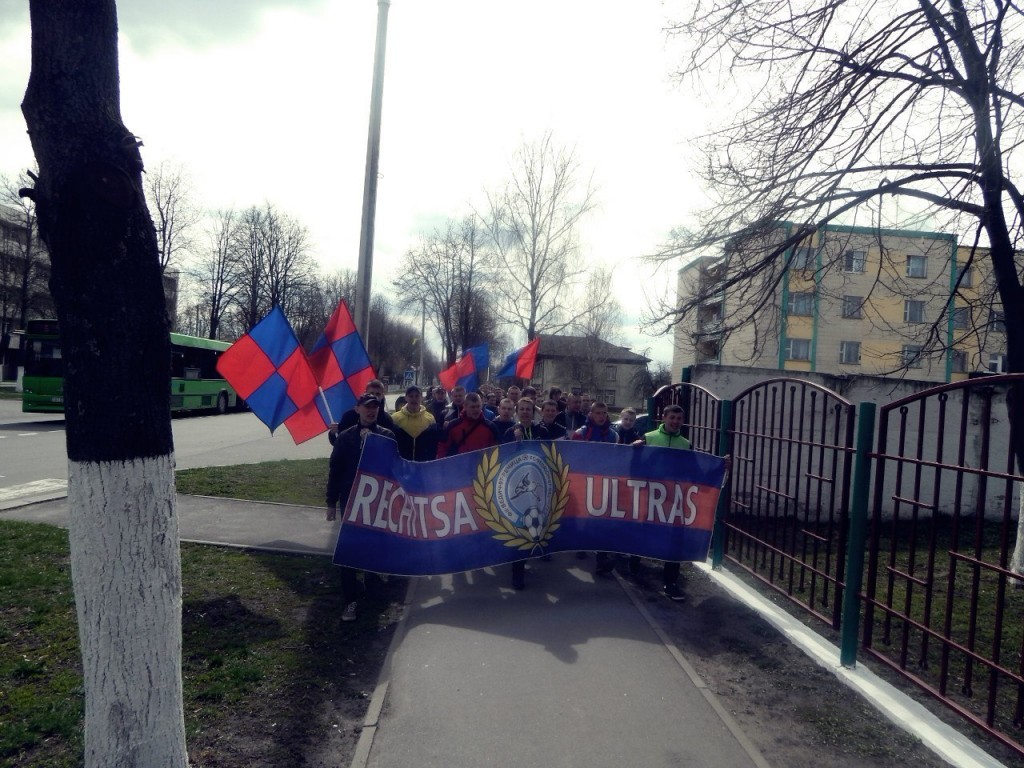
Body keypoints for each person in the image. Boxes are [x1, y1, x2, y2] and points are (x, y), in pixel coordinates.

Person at [325, 394, 396, 622]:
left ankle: (371, 588)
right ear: (357, 409)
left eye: (375, 407)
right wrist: (331, 503)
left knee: (373, 548)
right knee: (349, 551)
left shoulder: (386, 436)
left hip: (376, 503)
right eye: (367, 407)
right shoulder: (345, 438)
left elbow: (393, 469)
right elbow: (335, 471)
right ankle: (350, 600)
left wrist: (373, 446)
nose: (371, 411)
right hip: (350, 503)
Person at [632, 403, 691, 600]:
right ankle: (634, 565)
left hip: (674, 500)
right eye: (672, 417)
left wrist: (721, 465)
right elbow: (633, 465)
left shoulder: (686, 444)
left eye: (679, 418)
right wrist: (634, 450)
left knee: (675, 540)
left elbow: (695, 471)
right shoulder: (648, 438)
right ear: (664, 418)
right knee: (643, 533)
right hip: (650, 496)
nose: (675, 421)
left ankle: (670, 582)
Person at [498, 398, 550, 589]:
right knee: (519, 526)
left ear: (533, 411)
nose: (526, 412)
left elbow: (549, 455)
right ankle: (517, 573)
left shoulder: (542, 431)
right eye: (522, 409)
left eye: (529, 409)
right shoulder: (509, 432)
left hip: (538, 485)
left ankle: (534, 555)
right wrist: (516, 442)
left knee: (537, 524)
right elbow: (503, 458)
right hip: (516, 487)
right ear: (517, 411)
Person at [437, 392, 500, 457]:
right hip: (460, 462)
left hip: (483, 463)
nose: (476, 410)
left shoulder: (490, 427)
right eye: (472, 407)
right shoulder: (453, 426)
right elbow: (442, 448)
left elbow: (497, 450)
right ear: (465, 406)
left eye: (478, 406)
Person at [392, 385, 439, 461]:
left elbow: (433, 444)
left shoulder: (430, 418)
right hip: (402, 464)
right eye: (411, 396)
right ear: (406, 398)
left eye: (417, 396)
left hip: (423, 464)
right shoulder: (395, 418)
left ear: (421, 398)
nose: (414, 399)